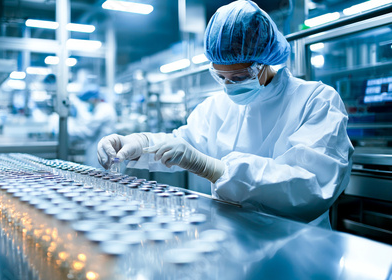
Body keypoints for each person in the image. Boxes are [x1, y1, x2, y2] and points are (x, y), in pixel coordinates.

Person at [97, 0, 354, 228]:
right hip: (230, 239)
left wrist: (217, 169)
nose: (230, 85)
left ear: (265, 61)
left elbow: (309, 188)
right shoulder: (216, 107)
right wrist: (138, 143)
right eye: (221, 77)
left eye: (240, 76)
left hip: (297, 246)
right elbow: (181, 143)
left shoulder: (316, 100)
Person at [69, 86, 116, 168]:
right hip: (98, 149)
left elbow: (89, 132)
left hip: (102, 152)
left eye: (87, 101)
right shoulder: (100, 109)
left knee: (99, 176)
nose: (87, 105)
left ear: (92, 99)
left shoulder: (104, 110)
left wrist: (68, 131)